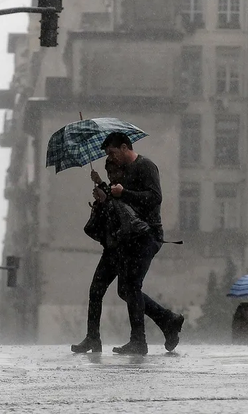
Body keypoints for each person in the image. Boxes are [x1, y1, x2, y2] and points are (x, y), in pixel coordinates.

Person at [100, 132, 184, 355]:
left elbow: (155, 198)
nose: (111, 157)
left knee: (131, 286)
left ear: (125, 147)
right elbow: (124, 206)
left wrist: (124, 192)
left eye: (112, 152)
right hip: (131, 238)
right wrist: (105, 193)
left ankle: (139, 340)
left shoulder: (146, 166)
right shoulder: (124, 172)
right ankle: (168, 320)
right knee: (125, 289)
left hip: (148, 235)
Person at [71, 160, 162, 353]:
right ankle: (93, 337)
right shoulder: (112, 188)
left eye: (113, 171)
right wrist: (100, 192)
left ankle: (147, 333)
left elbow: (125, 214)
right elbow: (108, 214)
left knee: (128, 290)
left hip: (124, 248)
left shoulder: (125, 188)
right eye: (108, 172)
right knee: (97, 290)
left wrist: (106, 199)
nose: (111, 175)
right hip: (112, 248)